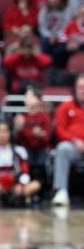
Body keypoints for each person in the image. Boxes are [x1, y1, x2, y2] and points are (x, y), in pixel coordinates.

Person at [0, 121, 40, 207]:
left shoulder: (20, 151)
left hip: (15, 187)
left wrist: (20, 185)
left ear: (10, 133)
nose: (2, 135)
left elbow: (25, 173)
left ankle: (19, 198)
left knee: (35, 185)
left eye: (5, 131)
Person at [51, 74, 84, 206]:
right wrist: (74, 140)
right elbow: (59, 129)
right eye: (80, 87)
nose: (83, 90)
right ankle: (61, 191)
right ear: (75, 89)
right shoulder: (65, 106)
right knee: (62, 148)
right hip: (73, 147)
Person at [13, 86, 51, 184]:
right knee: (22, 154)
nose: (26, 99)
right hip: (26, 149)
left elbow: (47, 137)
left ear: (38, 100)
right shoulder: (21, 117)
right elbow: (17, 140)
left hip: (41, 149)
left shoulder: (44, 117)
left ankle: (42, 185)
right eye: (26, 97)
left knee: (43, 157)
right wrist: (18, 129)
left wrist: (40, 135)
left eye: (30, 96)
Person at [38, 0, 68, 65]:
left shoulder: (66, 10)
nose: (53, 0)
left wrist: (57, 36)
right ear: (48, 0)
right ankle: (47, 65)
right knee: (44, 43)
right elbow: (42, 26)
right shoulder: (44, 10)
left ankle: (57, 66)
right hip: (47, 35)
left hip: (61, 35)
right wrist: (50, 35)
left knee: (60, 49)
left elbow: (66, 26)